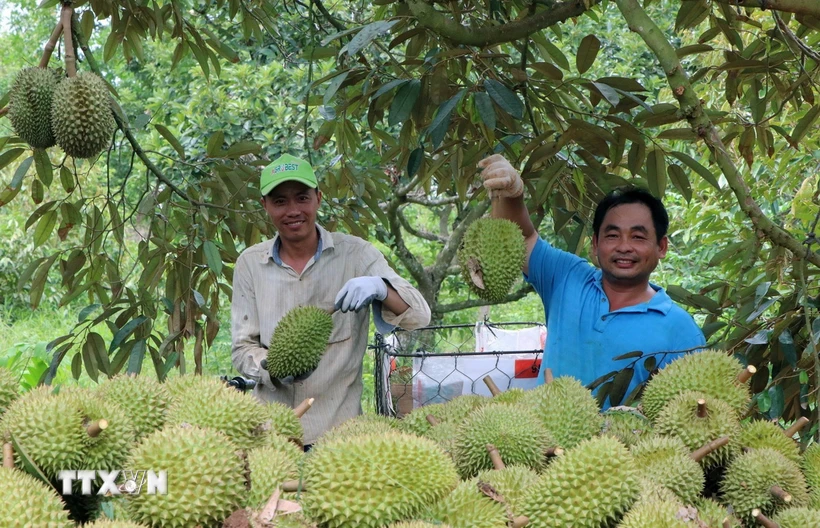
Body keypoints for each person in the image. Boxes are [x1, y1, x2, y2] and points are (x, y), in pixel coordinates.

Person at [231, 154, 431, 447]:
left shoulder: (357, 255)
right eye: (280, 201)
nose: (293, 210)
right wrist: (274, 369)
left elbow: (419, 316)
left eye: (302, 198)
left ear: (318, 199)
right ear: (265, 206)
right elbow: (242, 349)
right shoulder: (250, 264)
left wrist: (380, 287)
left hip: (340, 436)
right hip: (273, 435)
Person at [478, 154, 706, 407]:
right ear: (596, 244)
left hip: (622, 445)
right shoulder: (566, 278)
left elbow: (690, 411)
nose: (624, 247)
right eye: (612, 235)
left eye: (638, 237)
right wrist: (512, 195)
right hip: (538, 442)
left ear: (661, 247)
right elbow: (522, 238)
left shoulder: (681, 330)